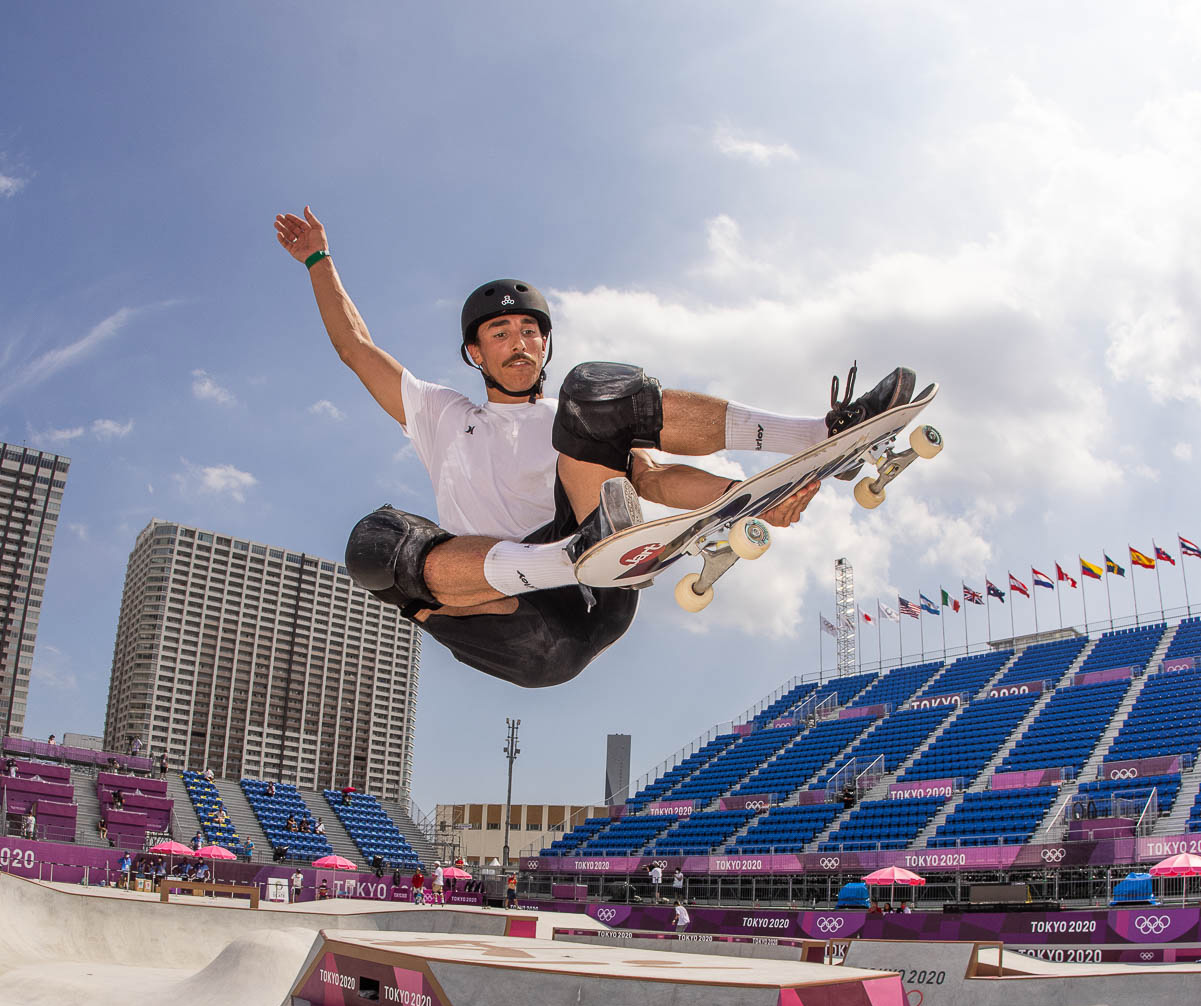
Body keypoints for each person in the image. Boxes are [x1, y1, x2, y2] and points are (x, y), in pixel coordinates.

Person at [276, 205, 916, 691]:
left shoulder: (566, 420)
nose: (519, 341)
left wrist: (747, 503)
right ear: (476, 353)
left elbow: (656, 480)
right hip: (519, 626)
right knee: (375, 546)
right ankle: (568, 556)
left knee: (598, 389)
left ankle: (815, 431)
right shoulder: (441, 414)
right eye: (501, 333)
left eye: (530, 330)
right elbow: (356, 349)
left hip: (599, 592)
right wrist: (318, 261)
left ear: (543, 344)